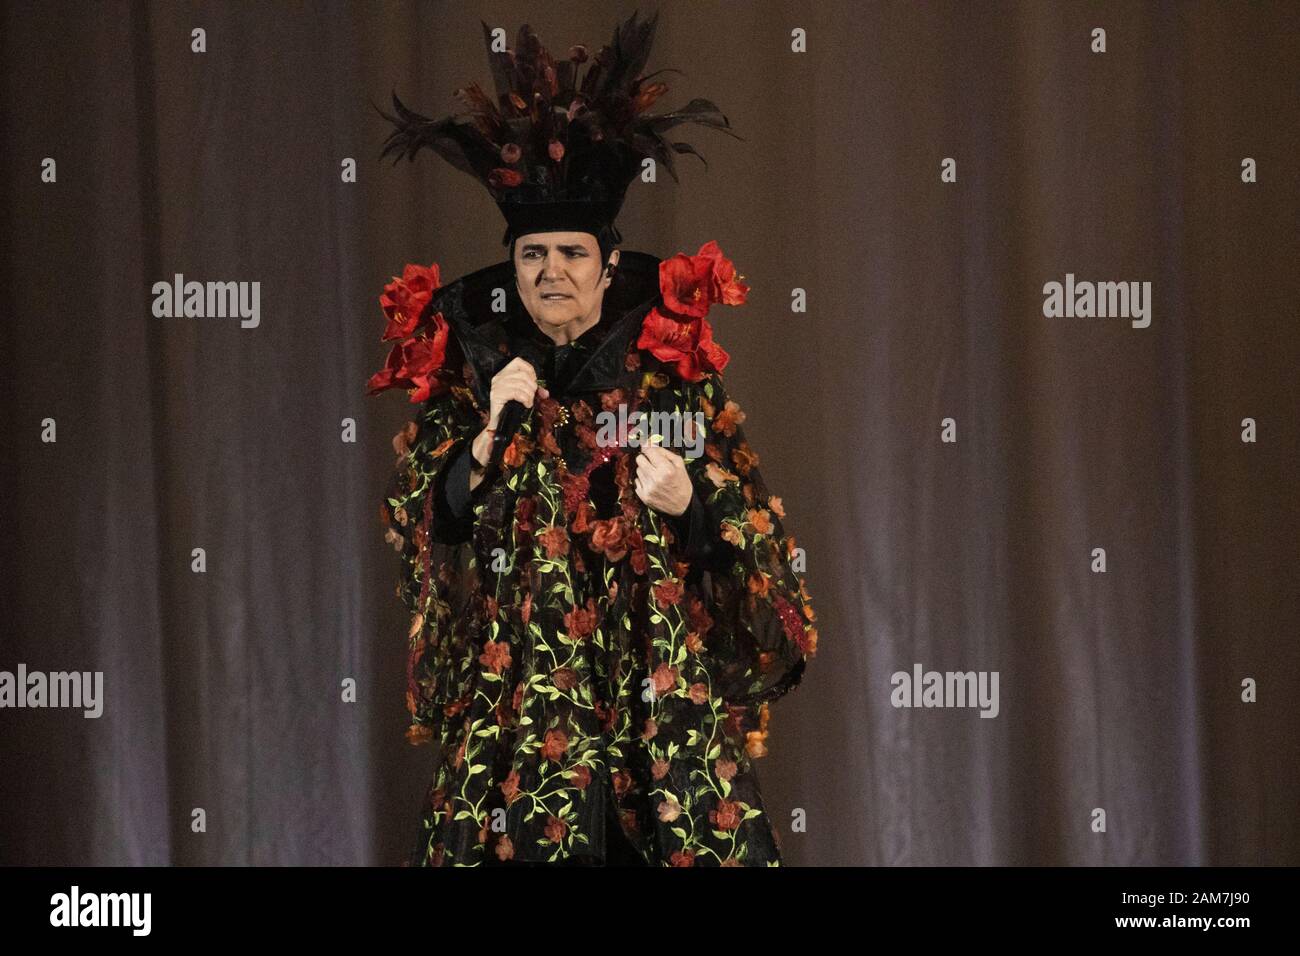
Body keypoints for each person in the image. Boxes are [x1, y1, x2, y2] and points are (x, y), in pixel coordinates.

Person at [369, 10, 819, 867]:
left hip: (655, 697)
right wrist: (483, 444)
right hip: (523, 705)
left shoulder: (664, 374)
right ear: (514, 270)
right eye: (533, 256)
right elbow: (424, 523)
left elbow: (748, 529)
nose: (551, 274)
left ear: (608, 266)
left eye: (571, 254)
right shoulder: (478, 376)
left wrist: (689, 503)